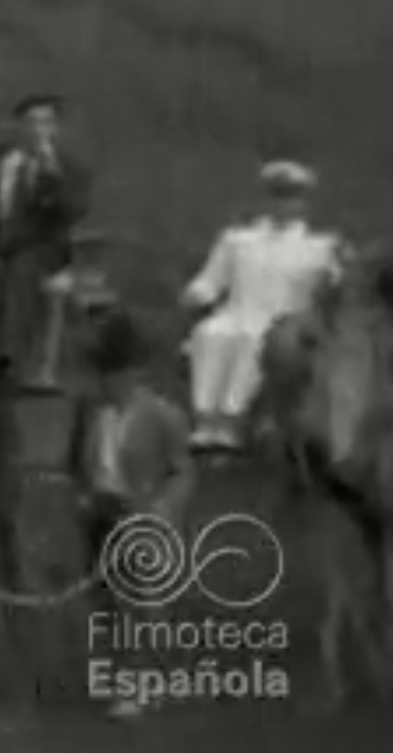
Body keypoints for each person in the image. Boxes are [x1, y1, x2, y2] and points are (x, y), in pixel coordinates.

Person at [67, 308, 193, 721]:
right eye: (102, 375)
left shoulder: (161, 416)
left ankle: (148, 680)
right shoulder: (88, 411)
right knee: (103, 600)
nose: (105, 384)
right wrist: (81, 495)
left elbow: (183, 472)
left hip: (140, 514)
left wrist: (162, 509)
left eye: (112, 375)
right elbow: (74, 463)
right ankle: (117, 675)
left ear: (130, 374)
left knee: (144, 603)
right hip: (100, 513)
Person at [181, 159, 343, 453]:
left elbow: (338, 286)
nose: (283, 206)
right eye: (277, 197)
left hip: (284, 322)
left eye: (291, 199)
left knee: (253, 340)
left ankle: (232, 419)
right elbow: (211, 280)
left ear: (302, 204)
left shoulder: (319, 247)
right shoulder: (238, 240)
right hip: (236, 311)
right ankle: (206, 420)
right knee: (210, 334)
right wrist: (197, 293)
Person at [0, 93, 93, 392]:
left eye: (46, 121)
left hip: (42, 246)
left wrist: (50, 175)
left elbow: (71, 211)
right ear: (19, 126)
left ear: (56, 128)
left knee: (21, 272)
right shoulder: (0, 160)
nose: (38, 128)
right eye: (31, 121)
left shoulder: (68, 167)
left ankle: (10, 356)